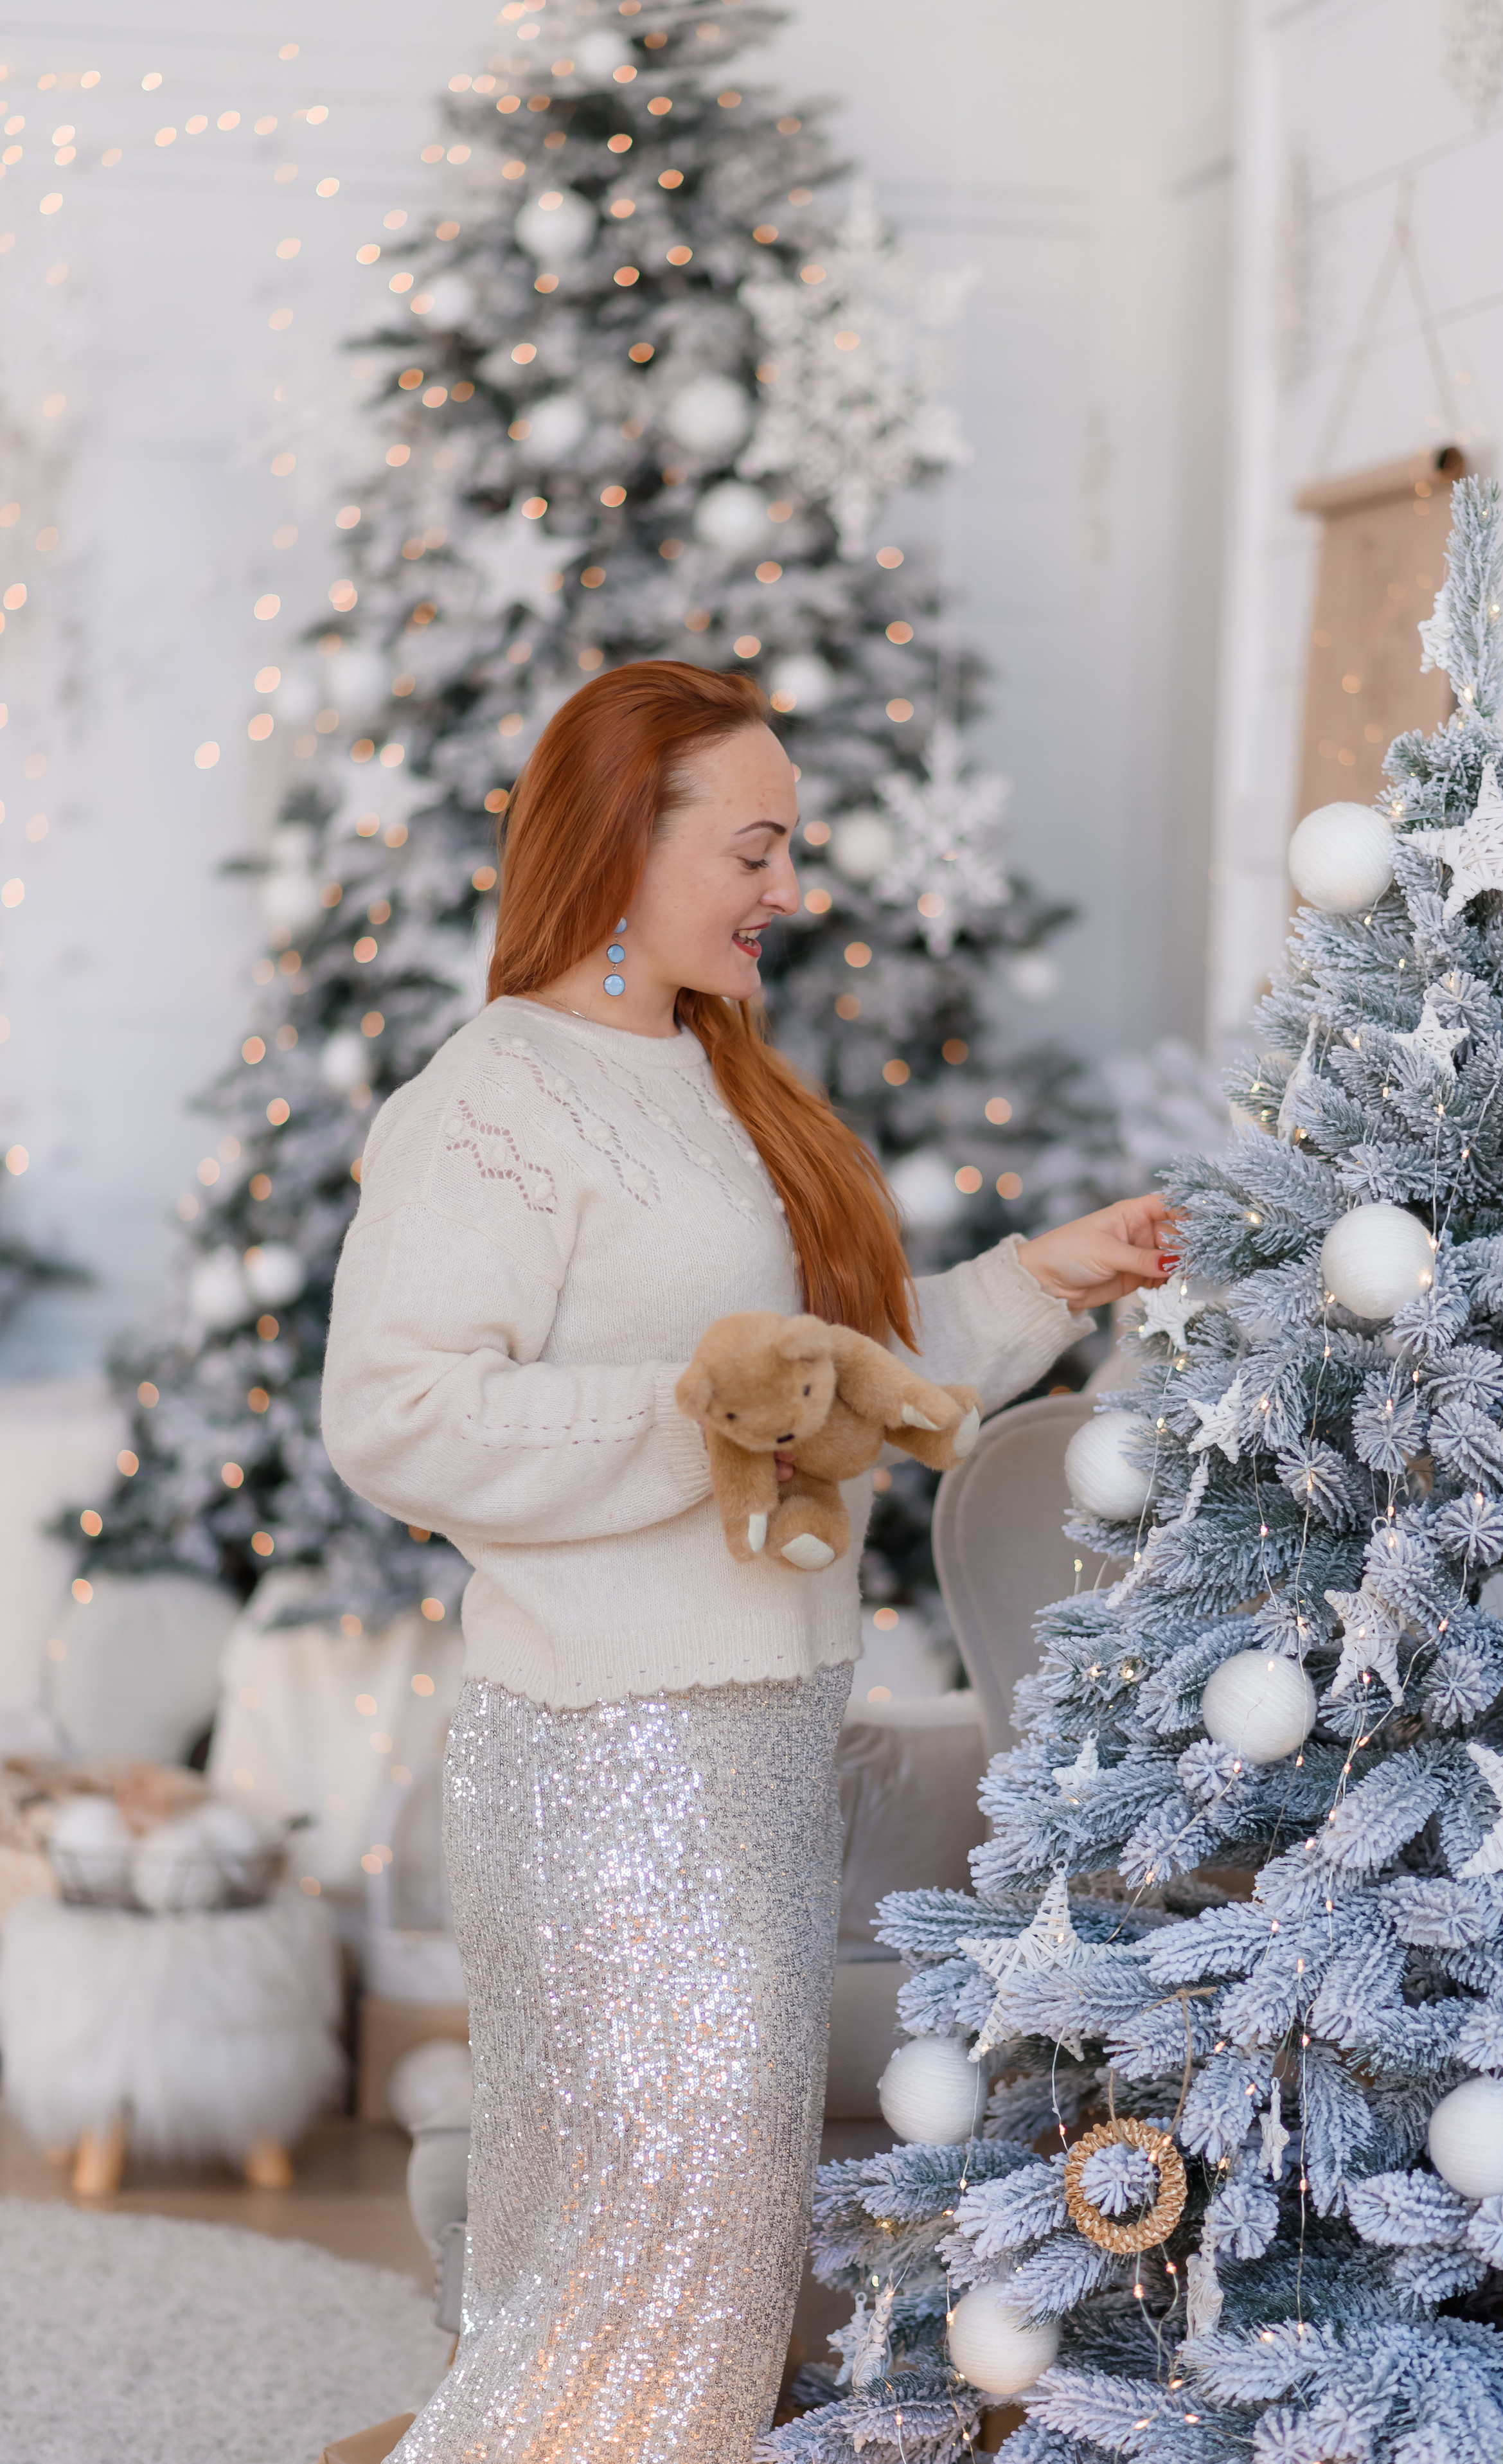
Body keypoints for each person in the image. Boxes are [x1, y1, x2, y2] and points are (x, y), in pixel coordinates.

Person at [321, 662, 1169, 2461]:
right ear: (630, 838)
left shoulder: (721, 1074)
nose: (790, 887)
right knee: (645, 2266)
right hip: (611, 1749)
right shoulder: (493, 1098)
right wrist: (709, 1410)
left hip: (755, 1734)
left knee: (691, 2262)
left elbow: (836, 1373)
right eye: (758, 847)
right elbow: (394, 1414)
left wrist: (1046, 1277)